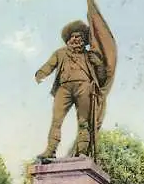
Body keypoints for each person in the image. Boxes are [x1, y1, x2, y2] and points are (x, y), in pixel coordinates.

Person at [35, 20, 107, 160]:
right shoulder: (60, 53)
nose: (75, 39)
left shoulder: (89, 55)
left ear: (83, 39)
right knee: (56, 120)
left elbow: (102, 78)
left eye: (79, 36)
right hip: (64, 89)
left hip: (84, 88)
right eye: (72, 36)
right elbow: (49, 66)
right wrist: (40, 74)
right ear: (68, 39)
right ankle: (50, 150)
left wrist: (98, 64)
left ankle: (82, 152)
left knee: (83, 122)